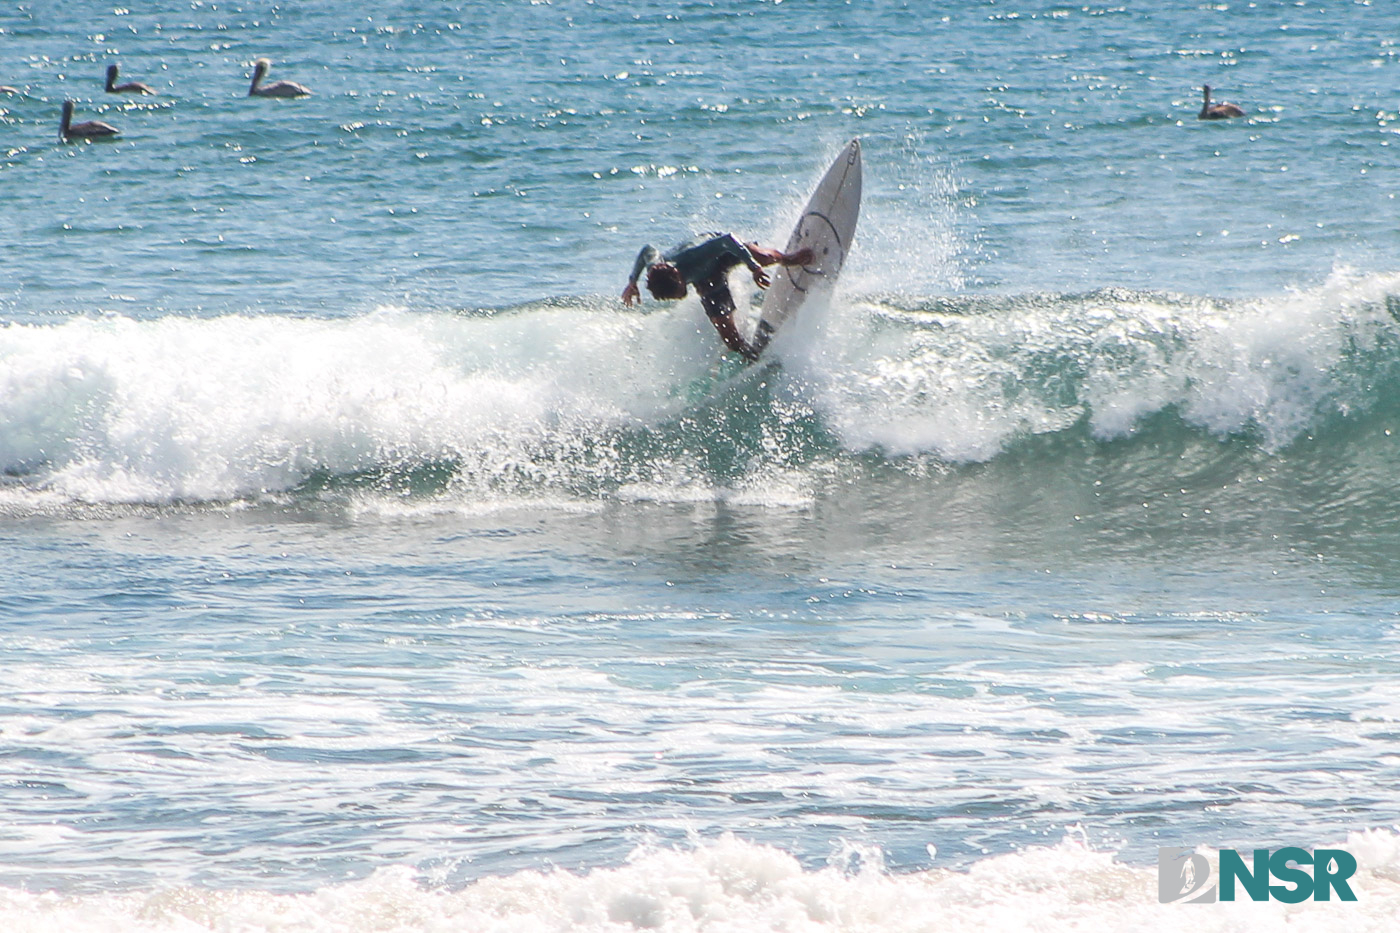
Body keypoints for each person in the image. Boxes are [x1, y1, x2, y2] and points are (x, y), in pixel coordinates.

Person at [622, 233, 812, 360]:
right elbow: (646, 250)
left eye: (679, 291)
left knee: (760, 257)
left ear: (679, 275)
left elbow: (727, 239)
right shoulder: (655, 268)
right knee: (731, 339)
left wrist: (753, 267)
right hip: (707, 279)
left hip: (723, 252)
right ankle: (754, 357)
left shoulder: (694, 254)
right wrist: (632, 282)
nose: (680, 297)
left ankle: (790, 259)